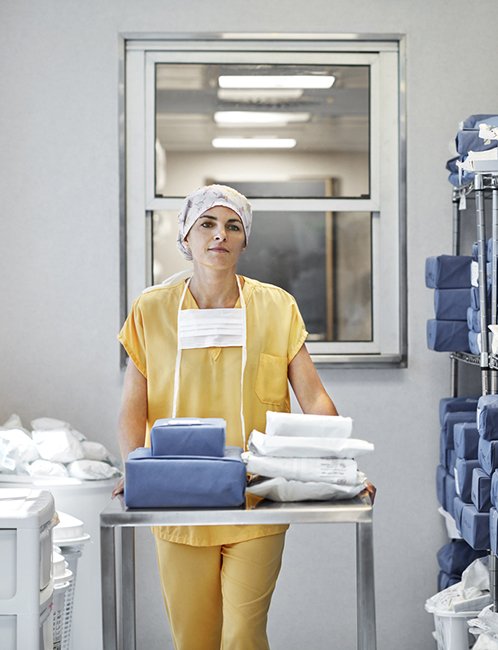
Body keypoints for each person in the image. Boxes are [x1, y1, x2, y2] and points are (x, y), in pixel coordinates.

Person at [113, 185, 371, 650]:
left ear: (245, 240)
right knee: (194, 638)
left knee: (243, 635)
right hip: (178, 497)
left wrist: (342, 470)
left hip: (256, 494)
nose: (219, 235)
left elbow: (314, 399)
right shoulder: (151, 310)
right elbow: (134, 408)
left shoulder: (276, 307)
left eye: (233, 226)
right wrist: (135, 471)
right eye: (207, 225)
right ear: (186, 237)